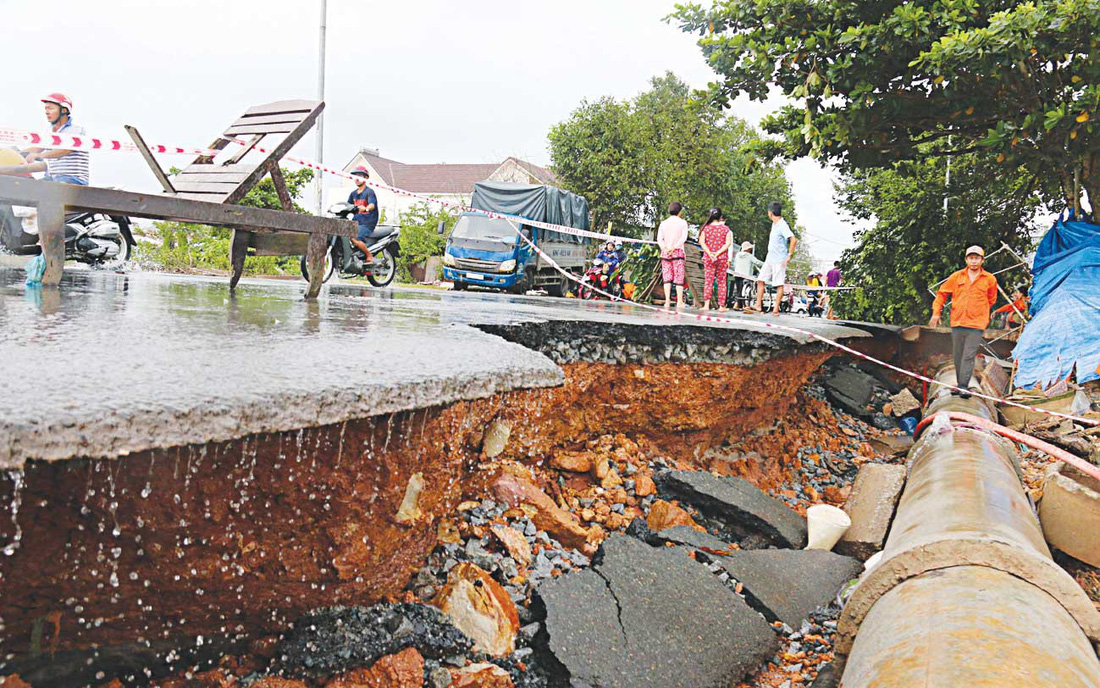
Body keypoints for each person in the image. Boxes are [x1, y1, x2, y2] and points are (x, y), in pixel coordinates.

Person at [929, 245, 999, 397]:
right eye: (971, 258)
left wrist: (980, 311)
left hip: (976, 324)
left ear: (982, 260)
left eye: (977, 258)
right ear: (966, 259)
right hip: (958, 322)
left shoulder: (989, 279)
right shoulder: (956, 277)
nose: (974, 261)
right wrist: (936, 313)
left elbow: (992, 299)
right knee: (958, 355)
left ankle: (963, 386)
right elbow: (941, 294)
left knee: (968, 355)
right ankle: (960, 385)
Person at [19, 93, 90, 185]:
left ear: (64, 110)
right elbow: (38, 148)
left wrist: (39, 156)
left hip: (72, 179)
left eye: (51, 108)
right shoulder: (49, 131)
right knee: (29, 186)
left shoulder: (76, 130)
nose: (47, 112)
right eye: (46, 109)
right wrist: (18, 153)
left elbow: (64, 150)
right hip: (53, 178)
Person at [750, 201, 797, 315]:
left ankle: (776, 309)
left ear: (770, 213)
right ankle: (758, 305)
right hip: (770, 258)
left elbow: (793, 239)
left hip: (779, 260)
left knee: (778, 284)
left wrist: (788, 256)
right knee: (760, 280)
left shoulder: (782, 225)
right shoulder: (774, 224)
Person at [699, 207, 732, 311]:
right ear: (720, 216)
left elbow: (702, 242)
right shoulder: (726, 229)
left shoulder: (706, 228)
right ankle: (722, 306)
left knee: (708, 281)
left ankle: (706, 305)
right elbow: (728, 243)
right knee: (722, 281)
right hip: (722, 258)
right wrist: (717, 253)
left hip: (709, 258)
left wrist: (710, 253)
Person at [656, 201, 688, 310]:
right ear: (680, 212)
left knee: (667, 277)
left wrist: (665, 248)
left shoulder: (663, 223)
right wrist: (674, 247)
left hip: (665, 252)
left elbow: (659, 239)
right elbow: (683, 238)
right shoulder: (683, 223)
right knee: (679, 277)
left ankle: (667, 301)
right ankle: (679, 301)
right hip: (678, 251)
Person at [348, 166, 378, 262]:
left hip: (367, 223)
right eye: (355, 176)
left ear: (365, 178)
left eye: (359, 176)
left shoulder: (369, 192)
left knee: (353, 238)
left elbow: (372, 205)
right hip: (355, 222)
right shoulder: (353, 194)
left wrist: (366, 208)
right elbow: (348, 206)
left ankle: (369, 255)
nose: (357, 178)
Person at [730, 241, 763, 310]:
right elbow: (757, 262)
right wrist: (765, 265)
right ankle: (742, 304)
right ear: (748, 249)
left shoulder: (737, 255)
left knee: (739, 289)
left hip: (737, 274)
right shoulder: (750, 256)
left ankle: (739, 305)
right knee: (744, 290)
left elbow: (735, 264)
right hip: (746, 276)